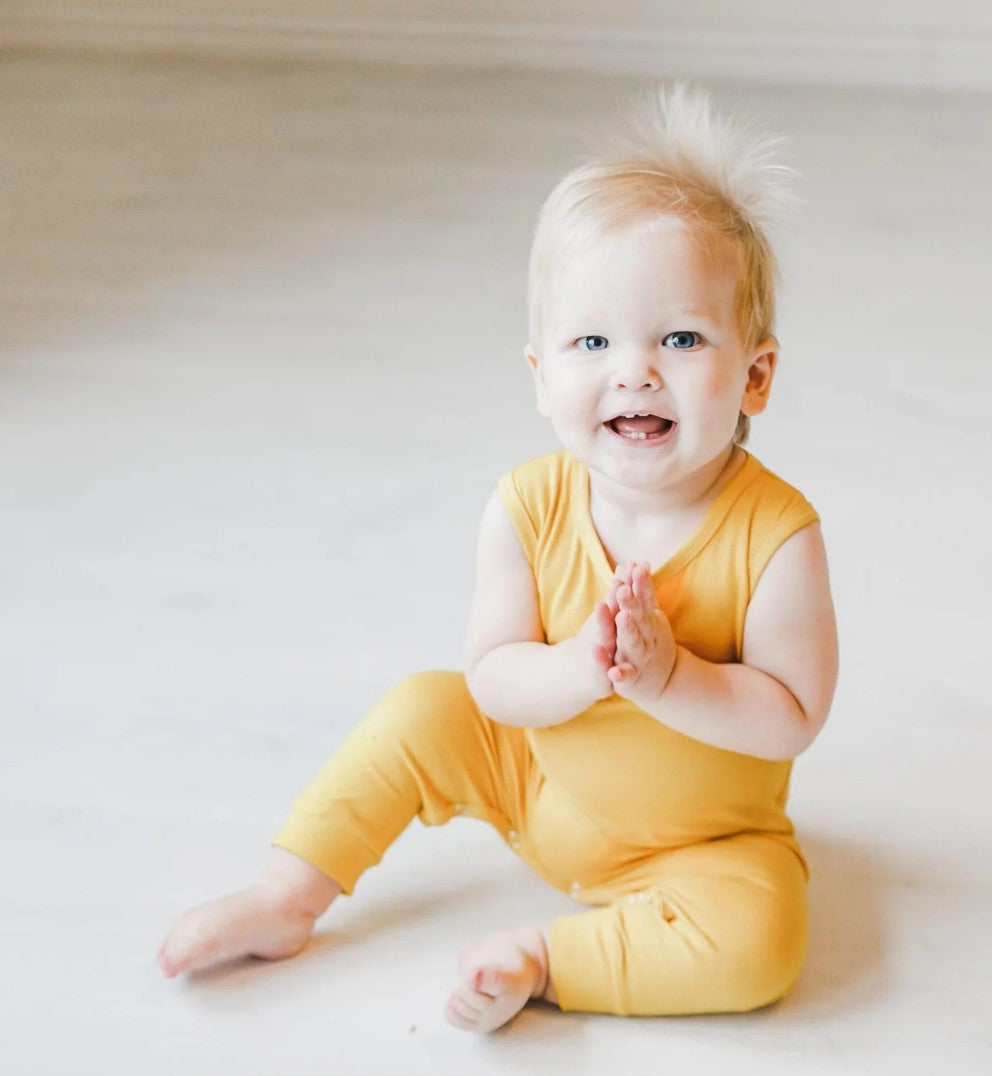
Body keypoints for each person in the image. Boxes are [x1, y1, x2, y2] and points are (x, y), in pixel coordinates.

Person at [157, 86, 839, 1033]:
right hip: (539, 785)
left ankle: (549, 961)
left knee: (765, 936)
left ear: (755, 374)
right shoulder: (527, 505)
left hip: (704, 843)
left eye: (680, 338)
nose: (634, 370)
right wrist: (584, 667)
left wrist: (668, 676)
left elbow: (792, 719)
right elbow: (492, 682)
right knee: (422, 708)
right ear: (540, 375)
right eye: (592, 341)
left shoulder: (778, 535)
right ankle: (287, 894)